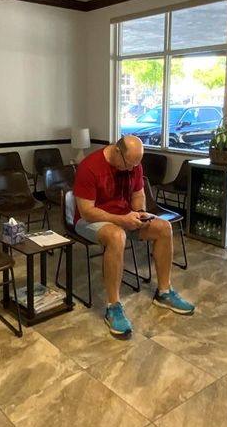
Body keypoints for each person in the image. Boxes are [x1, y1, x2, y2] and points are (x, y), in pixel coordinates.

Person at [72, 134, 194, 335]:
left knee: (164, 228)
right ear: (117, 152)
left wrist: (139, 212)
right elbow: (87, 211)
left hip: (124, 216)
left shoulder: (134, 164)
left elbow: (138, 194)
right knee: (116, 236)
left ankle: (164, 292)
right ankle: (113, 306)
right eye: (129, 164)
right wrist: (121, 220)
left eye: (136, 165)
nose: (132, 169)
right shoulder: (89, 167)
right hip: (90, 220)